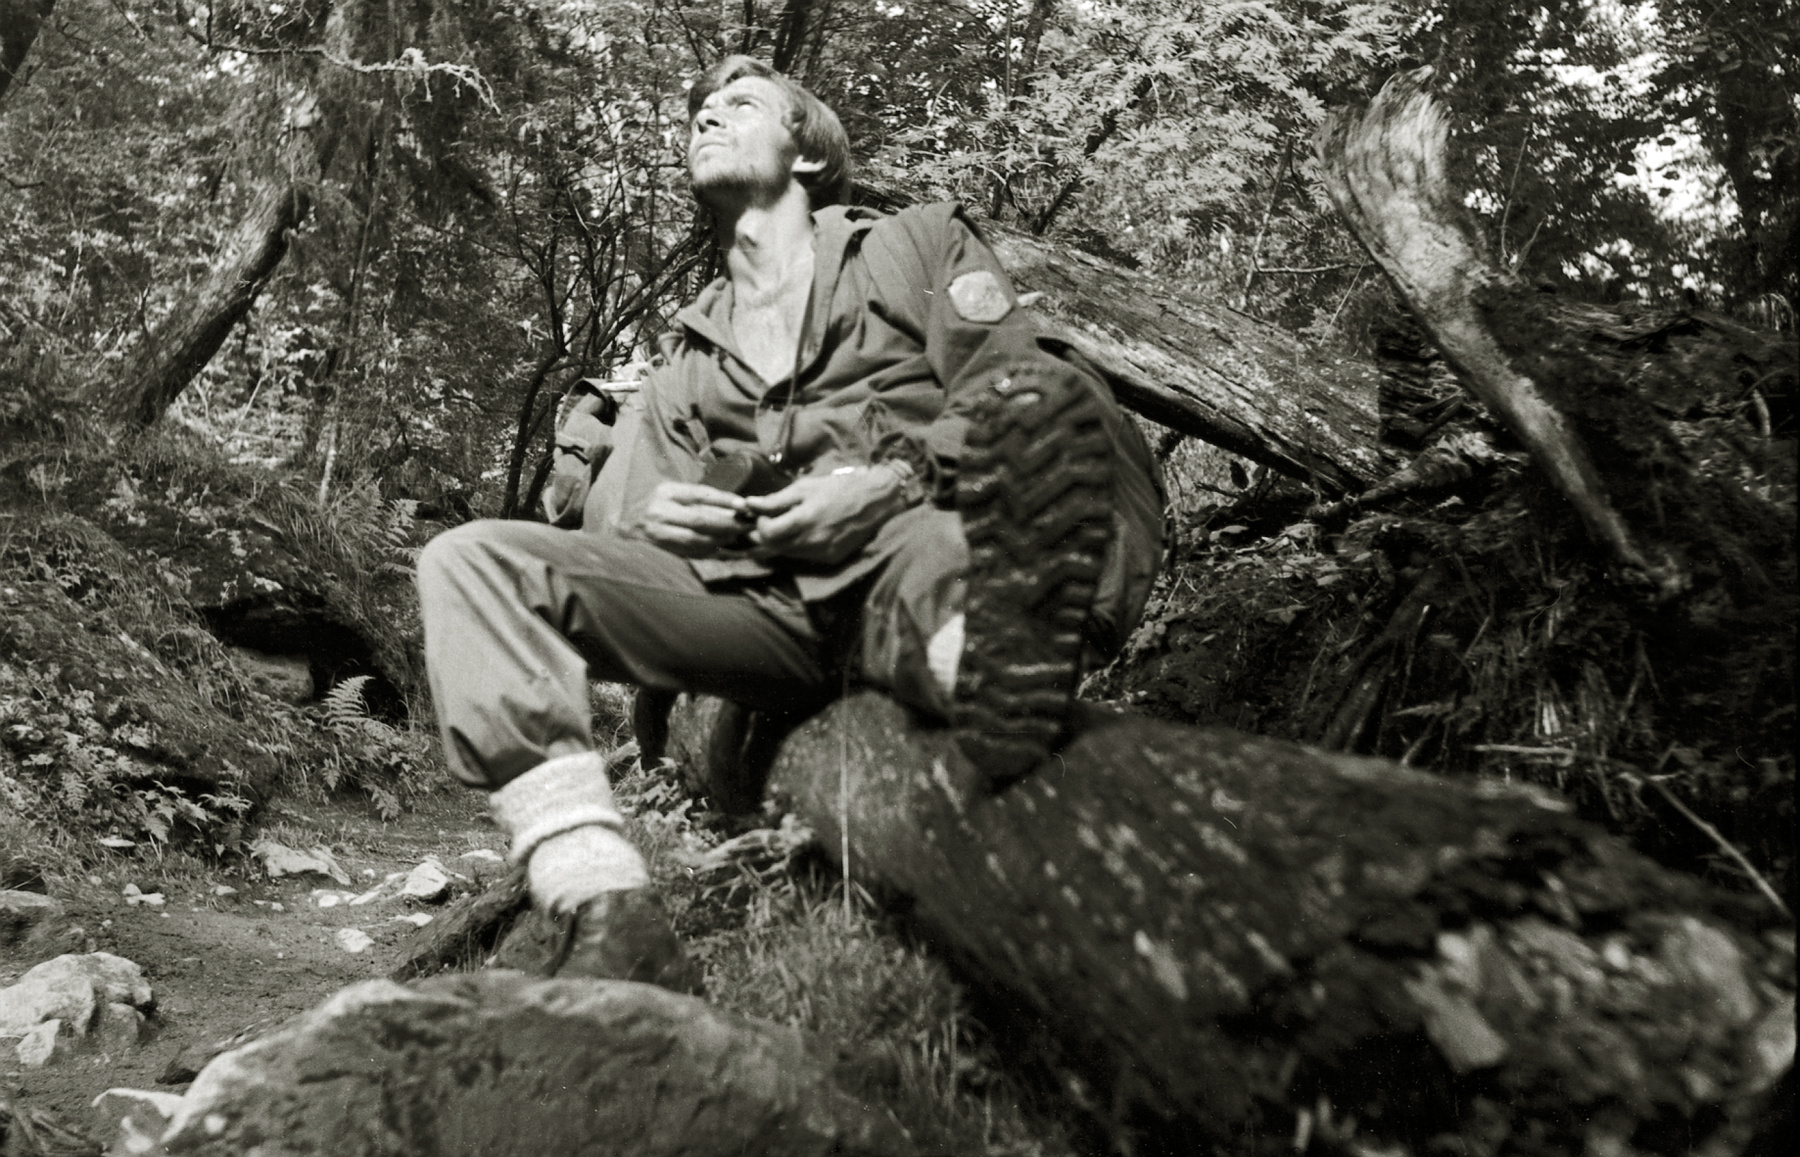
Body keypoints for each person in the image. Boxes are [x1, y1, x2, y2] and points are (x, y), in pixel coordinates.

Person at [415, 56, 1161, 987]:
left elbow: (1011, 385)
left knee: (1001, 457)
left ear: (806, 155)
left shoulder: (913, 246)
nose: (706, 117)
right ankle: (605, 906)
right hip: (762, 609)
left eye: (740, 105)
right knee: (468, 563)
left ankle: (987, 670)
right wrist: (679, 521)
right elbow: (635, 540)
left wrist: (892, 477)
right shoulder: (686, 355)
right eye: (700, 110)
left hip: (911, 546)